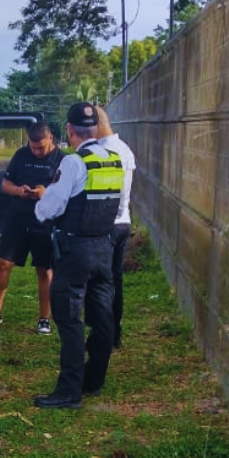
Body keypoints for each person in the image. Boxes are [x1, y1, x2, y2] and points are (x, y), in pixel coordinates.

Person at [32, 102, 125, 409]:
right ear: (96, 128)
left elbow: (49, 209)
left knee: (69, 319)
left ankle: (69, 391)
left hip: (75, 251)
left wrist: (43, 198)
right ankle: (94, 380)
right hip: (104, 248)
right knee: (102, 317)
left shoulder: (74, 163)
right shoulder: (115, 159)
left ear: (70, 131)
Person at [0, 121, 63, 333]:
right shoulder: (21, 155)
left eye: (40, 148)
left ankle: (44, 319)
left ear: (50, 139)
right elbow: (5, 184)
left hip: (44, 222)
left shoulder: (62, 160)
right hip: (17, 218)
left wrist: (46, 193)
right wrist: (18, 190)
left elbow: (66, 193)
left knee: (44, 271)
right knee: (2, 264)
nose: (36, 152)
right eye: (32, 147)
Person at [96, 106, 137, 350]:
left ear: (97, 125)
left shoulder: (103, 152)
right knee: (115, 280)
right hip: (124, 222)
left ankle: (104, 335)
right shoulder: (125, 150)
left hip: (107, 224)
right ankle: (114, 335)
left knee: (102, 283)